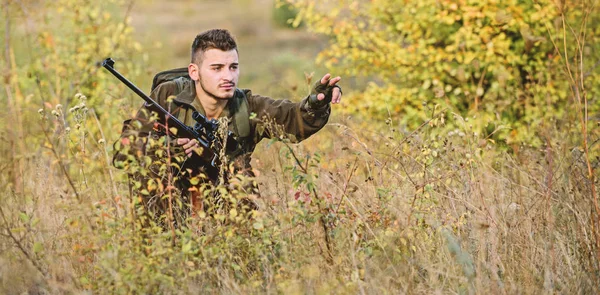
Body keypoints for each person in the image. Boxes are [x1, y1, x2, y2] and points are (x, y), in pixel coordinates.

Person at [114, 29, 342, 224]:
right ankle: (159, 253)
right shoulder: (168, 96)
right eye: (217, 68)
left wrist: (316, 103)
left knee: (240, 173)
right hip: (171, 210)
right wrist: (164, 149)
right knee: (152, 166)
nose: (228, 76)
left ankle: (240, 253)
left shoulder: (246, 106)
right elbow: (122, 152)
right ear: (194, 72)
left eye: (233, 67)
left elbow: (293, 120)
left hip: (226, 208)